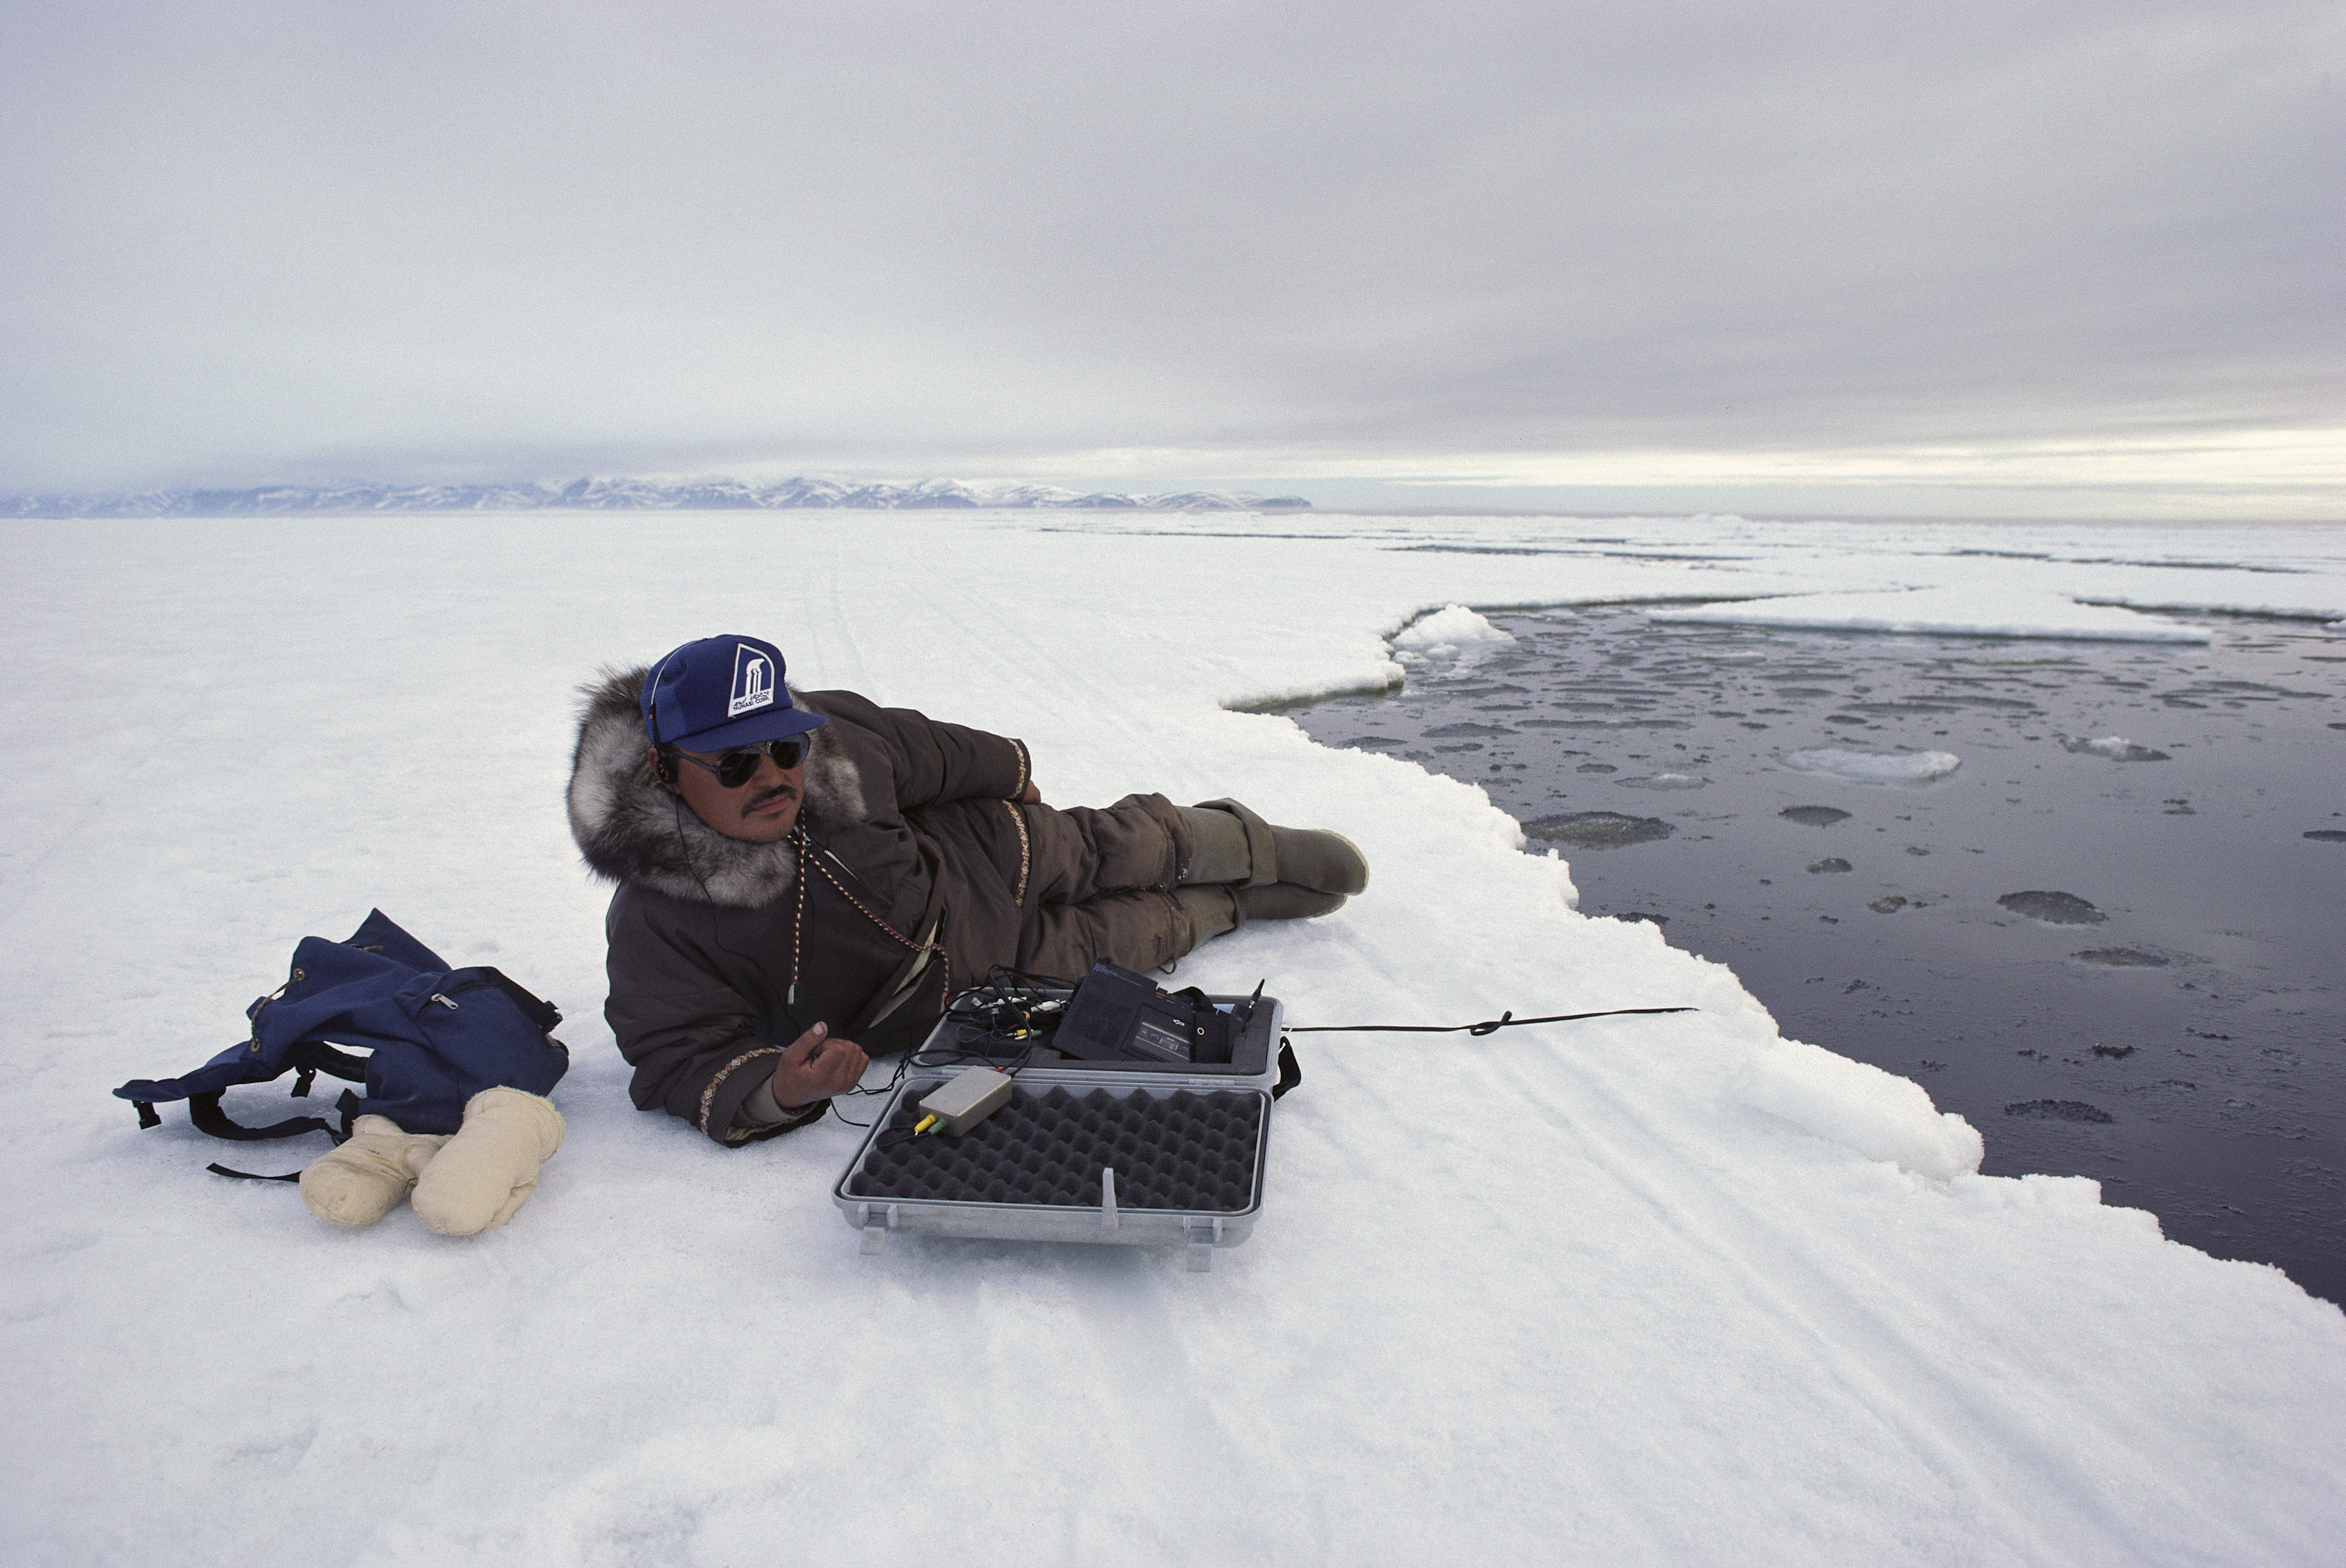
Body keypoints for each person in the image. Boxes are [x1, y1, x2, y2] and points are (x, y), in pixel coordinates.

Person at [565, 634, 1368, 1146]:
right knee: (1137, 937)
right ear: (665, 773)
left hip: (991, 852)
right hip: (984, 982)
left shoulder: (841, 745)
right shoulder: (659, 920)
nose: (773, 776)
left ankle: (1251, 841)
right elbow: (675, 1052)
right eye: (735, 763)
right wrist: (778, 1087)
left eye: (782, 748)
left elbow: (935, 752)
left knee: (1121, 843)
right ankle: (1236, 904)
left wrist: (1014, 778)